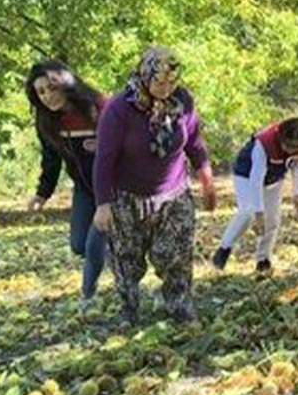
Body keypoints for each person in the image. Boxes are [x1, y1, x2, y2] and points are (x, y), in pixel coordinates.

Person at [92, 47, 216, 324]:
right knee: (127, 259)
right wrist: (103, 204)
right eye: (159, 82)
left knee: (176, 253)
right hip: (128, 196)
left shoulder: (183, 101)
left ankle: (179, 305)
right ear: (145, 76)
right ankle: (129, 309)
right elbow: (104, 160)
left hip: (174, 192)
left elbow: (194, 141)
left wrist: (206, 177)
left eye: (172, 82)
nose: (166, 88)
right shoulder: (119, 109)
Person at [25, 60, 110, 302]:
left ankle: (88, 297)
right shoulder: (46, 122)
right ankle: (121, 258)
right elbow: (50, 159)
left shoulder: (98, 108)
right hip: (84, 188)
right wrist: (42, 193)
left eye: (51, 88)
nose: (47, 97)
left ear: (65, 84)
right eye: (40, 92)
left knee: (95, 244)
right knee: (79, 245)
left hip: (114, 188)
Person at [214, 117, 298, 273]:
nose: (290, 149)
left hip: (273, 180)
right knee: (247, 212)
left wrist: (297, 194)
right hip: (246, 175)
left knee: (273, 219)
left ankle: (263, 259)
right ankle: (224, 248)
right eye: (287, 144)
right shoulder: (264, 143)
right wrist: (258, 212)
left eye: (296, 146)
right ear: (281, 137)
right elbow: (256, 177)